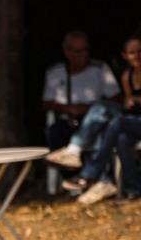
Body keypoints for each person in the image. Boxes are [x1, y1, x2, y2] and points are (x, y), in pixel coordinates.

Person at [60, 35, 141, 204]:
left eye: (140, 51)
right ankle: (134, 189)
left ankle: (89, 173)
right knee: (121, 137)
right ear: (125, 56)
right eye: (132, 52)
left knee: (117, 123)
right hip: (135, 122)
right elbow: (128, 105)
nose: (137, 56)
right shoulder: (127, 76)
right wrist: (128, 101)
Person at [42, 31, 121, 159]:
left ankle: (74, 153)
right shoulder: (55, 72)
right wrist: (70, 109)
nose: (84, 54)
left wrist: (90, 109)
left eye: (86, 50)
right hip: (67, 122)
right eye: (79, 51)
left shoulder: (100, 69)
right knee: (53, 132)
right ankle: (72, 175)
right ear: (67, 52)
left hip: (95, 121)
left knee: (99, 124)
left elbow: (116, 99)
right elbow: (46, 103)